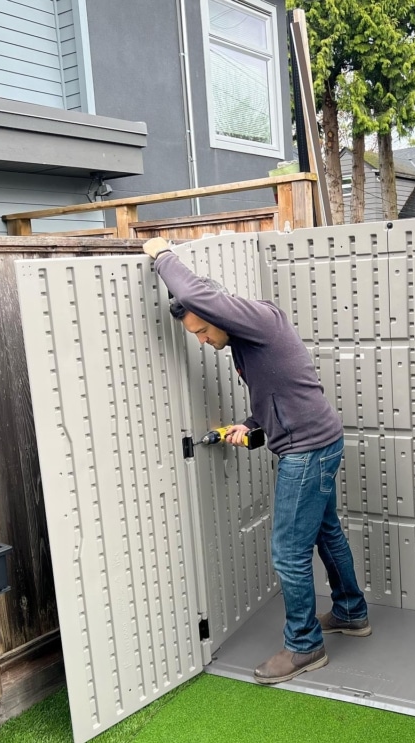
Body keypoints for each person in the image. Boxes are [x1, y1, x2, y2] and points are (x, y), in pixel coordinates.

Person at [143, 237, 371, 685]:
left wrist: (161, 254)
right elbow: (279, 389)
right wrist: (250, 424)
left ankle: (305, 646)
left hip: (307, 451)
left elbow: (193, 294)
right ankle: (350, 612)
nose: (205, 342)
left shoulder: (258, 318)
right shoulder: (247, 342)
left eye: (203, 332)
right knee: (327, 532)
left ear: (218, 314)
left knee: (288, 552)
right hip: (317, 441)